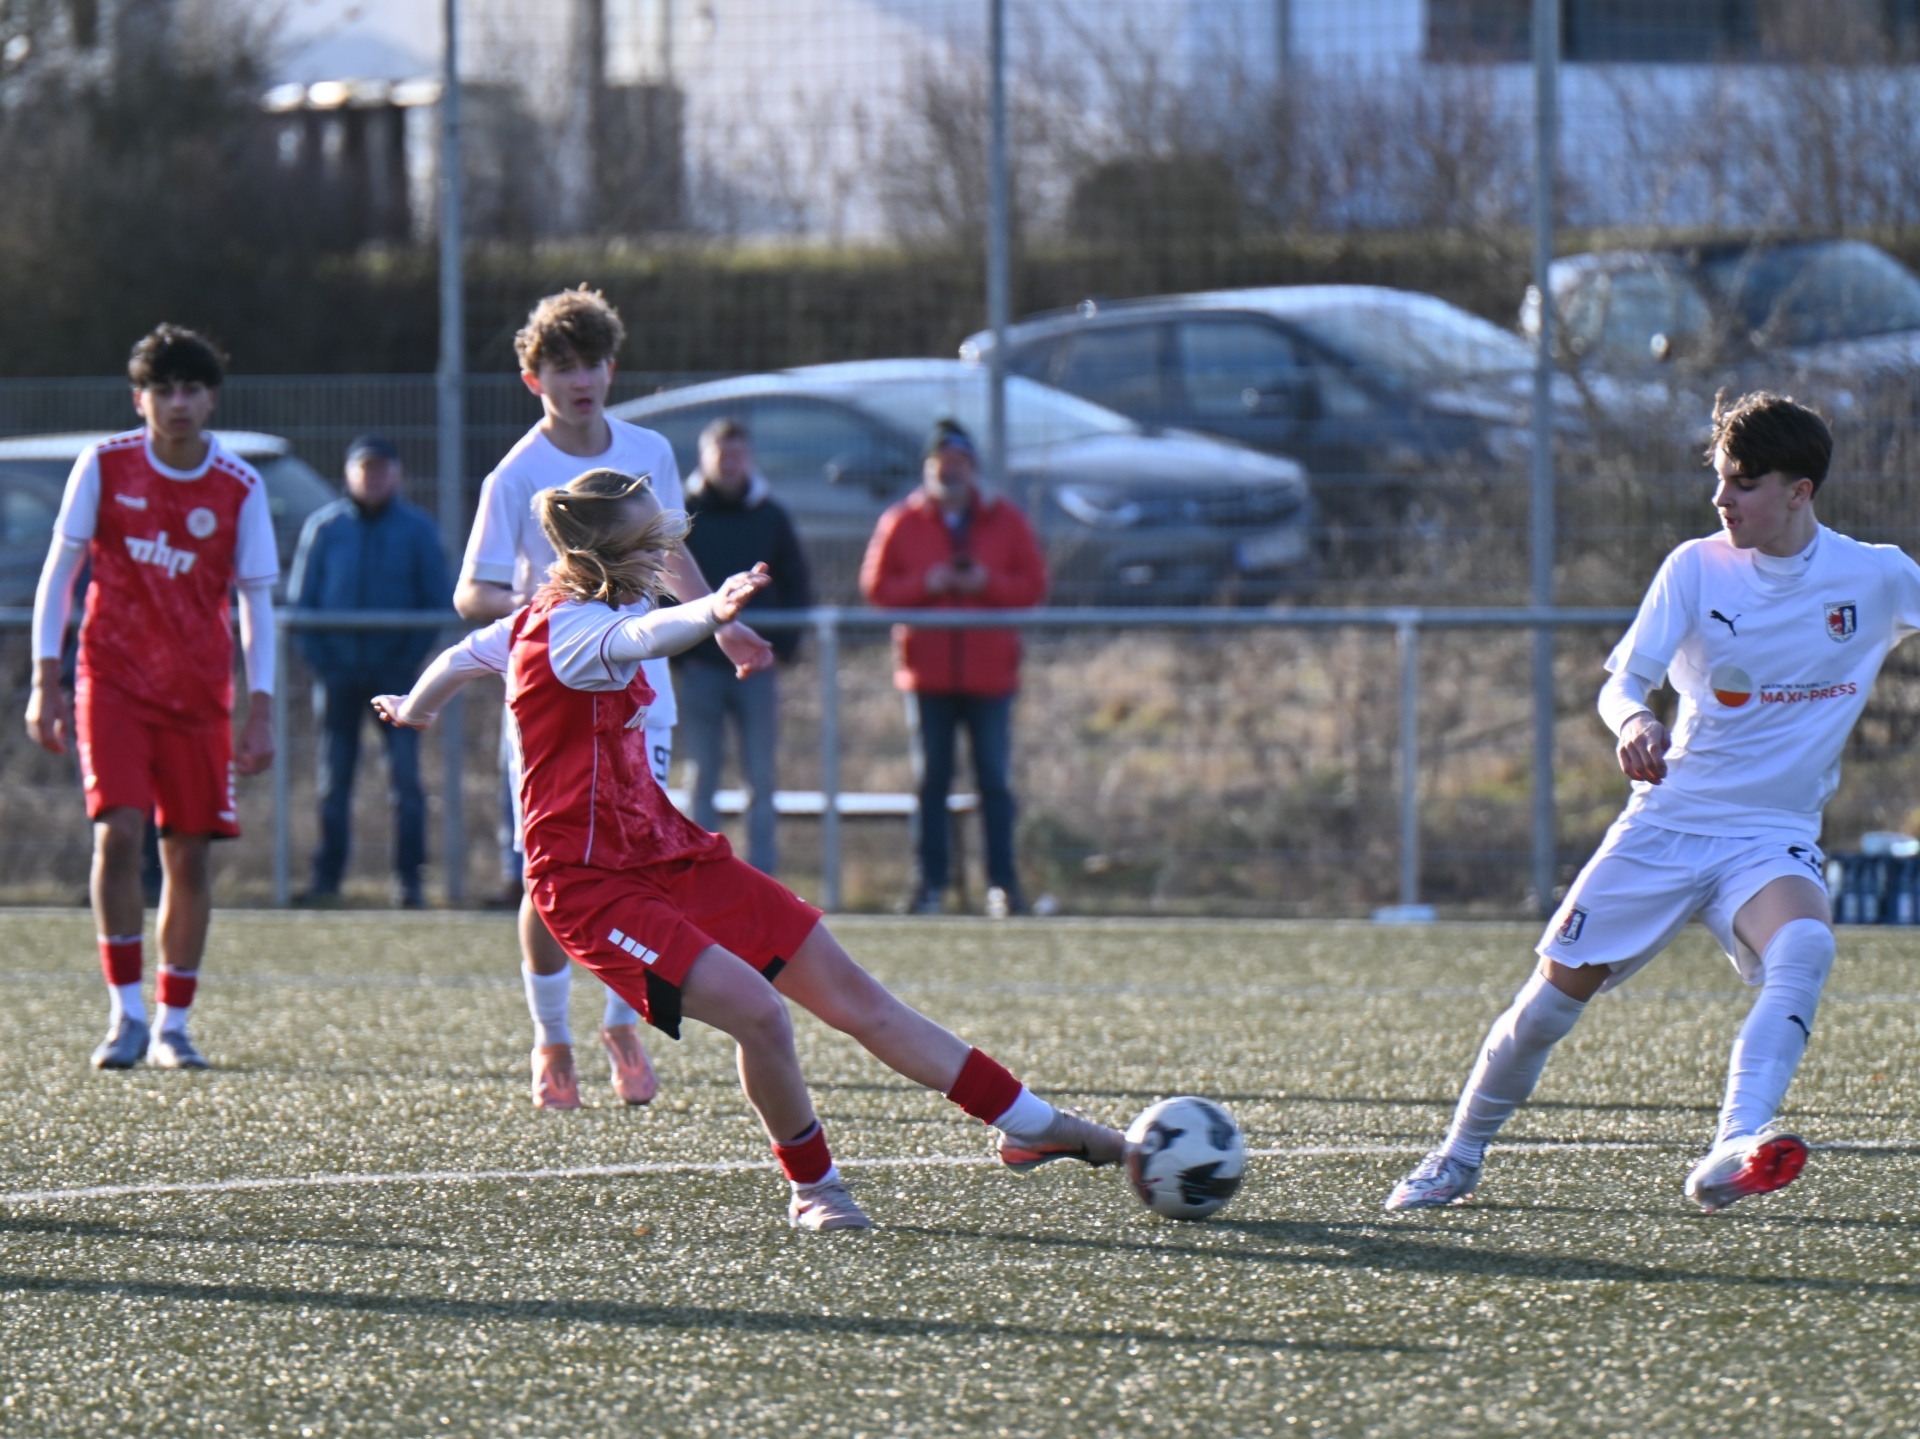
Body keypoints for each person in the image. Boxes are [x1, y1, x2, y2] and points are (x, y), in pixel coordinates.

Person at [375, 469, 1124, 1230]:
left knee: (857, 998)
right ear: (609, 554)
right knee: (760, 1013)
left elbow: (463, 656)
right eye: (653, 539)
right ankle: (815, 1189)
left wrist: (416, 707)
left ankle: (1031, 1122)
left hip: (667, 851)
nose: (667, 549)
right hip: (590, 886)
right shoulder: (576, 633)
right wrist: (711, 610)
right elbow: (642, 638)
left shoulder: (558, 615)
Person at [1386, 391, 1920, 1216]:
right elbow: (1621, 683)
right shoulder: (1695, 567)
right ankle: (1456, 1156)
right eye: (1720, 478)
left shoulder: (1876, 575)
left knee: (1806, 945)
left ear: (1799, 491)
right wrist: (1635, 720)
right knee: (1546, 1009)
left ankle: (1736, 1143)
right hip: (1668, 823)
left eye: (1743, 483)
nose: (1721, 498)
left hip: (1770, 834)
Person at [454, 286, 774, 1110]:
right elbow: (472, 592)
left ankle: (622, 1020)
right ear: (533, 380)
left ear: (611, 369)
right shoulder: (515, 473)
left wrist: (721, 624)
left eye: (591, 362)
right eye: (561, 365)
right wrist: (550, 614)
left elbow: (669, 556)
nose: (579, 379)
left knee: (640, 860)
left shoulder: (648, 451)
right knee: (550, 876)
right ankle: (551, 1035)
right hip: (550, 711)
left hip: (640, 697)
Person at [26, 324, 278, 1071]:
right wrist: (45, 680)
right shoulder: (104, 465)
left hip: (199, 697)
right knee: (118, 833)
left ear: (211, 399)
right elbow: (59, 574)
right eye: (162, 390)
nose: (178, 403)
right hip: (112, 683)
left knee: (189, 856)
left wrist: (261, 708)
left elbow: (257, 602)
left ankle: (174, 1023)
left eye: (191, 389)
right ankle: (125, 1015)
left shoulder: (239, 485)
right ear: (139, 399)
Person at [859, 418, 1046, 917]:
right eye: (942, 463)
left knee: (995, 783)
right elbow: (877, 589)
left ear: (973, 467)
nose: (951, 472)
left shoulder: (1005, 520)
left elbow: (1032, 585)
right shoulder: (903, 520)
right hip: (928, 675)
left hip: (991, 675)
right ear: (928, 468)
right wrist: (929, 582)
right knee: (932, 782)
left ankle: (1003, 884)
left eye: (959, 463)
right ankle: (930, 885)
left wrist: (987, 582)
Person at [288, 436, 452, 908]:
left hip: (396, 679)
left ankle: (409, 882)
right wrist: (325, 664)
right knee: (332, 782)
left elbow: (436, 603)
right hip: (337, 677)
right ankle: (326, 881)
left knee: (406, 783)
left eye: (381, 469)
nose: (373, 478)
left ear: (397, 475)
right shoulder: (325, 528)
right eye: (365, 469)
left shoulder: (418, 530)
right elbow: (302, 606)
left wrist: (406, 661)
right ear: (349, 474)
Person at [677, 418, 811, 875]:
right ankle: (700, 874)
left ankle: (762, 875)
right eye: (722, 454)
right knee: (702, 775)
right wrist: (682, 653)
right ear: (705, 457)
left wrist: (782, 648)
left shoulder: (772, 516)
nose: (730, 463)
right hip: (702, 669)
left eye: (737, 454)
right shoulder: (684, 515)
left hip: (758, 668)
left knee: (761, 775)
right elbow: (665, 585)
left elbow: (797, 583)